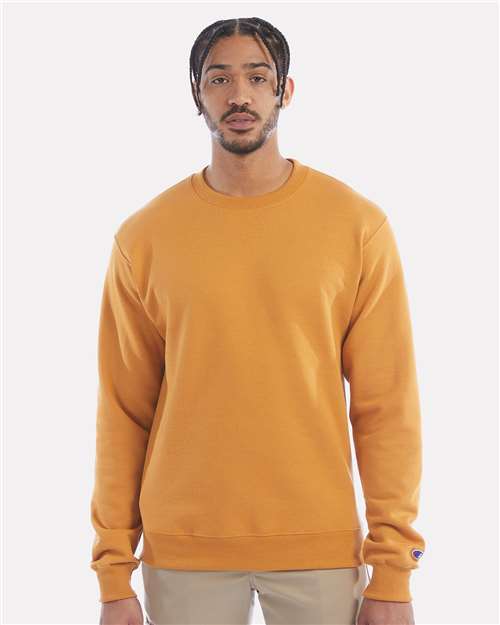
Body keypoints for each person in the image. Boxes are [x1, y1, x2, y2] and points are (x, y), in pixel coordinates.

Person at [90, 16, 425, 625]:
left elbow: (386, 406)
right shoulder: (144, 238)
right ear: (197, 94)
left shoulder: (356, 226)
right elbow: (123, 412)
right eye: (219, 79)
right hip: (183, 550)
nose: (238, 95)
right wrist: (114, 572)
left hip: (319, 545)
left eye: (257, 77)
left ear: (284, 90)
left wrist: (394, 571)